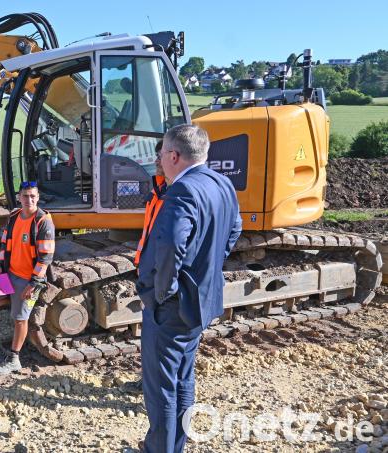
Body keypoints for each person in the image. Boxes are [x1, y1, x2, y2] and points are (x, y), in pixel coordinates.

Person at [136, 124, 242, 453]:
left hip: (172, 307)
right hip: (200, 302)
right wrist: (207, 266)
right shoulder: (222, 183)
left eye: (161, 154)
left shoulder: (182, 190)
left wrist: (162, 292)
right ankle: (176, 446)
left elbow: (170, 245)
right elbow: (234, 229)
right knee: (183, 379)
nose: (159, 160)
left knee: (161, 390)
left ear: (174, 156)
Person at [0, 181, 55, 375]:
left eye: (33, 196)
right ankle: (16, 302)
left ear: (38, 197)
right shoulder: (14, 217)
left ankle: (14, 359)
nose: (29, 200)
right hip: (10, 274)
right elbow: (5, 244)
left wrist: (34, 283)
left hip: (29, 280)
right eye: (25, 196)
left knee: (20, 319)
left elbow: (45, 257)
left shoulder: (43, 221)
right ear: (19, 197)